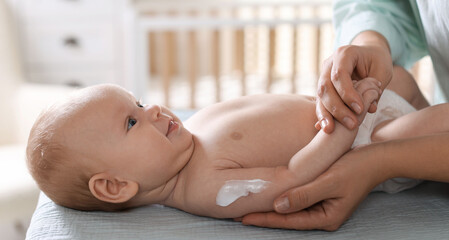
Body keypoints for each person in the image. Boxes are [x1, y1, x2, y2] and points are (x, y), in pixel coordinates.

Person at [26, 67, 435, 219]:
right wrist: (349, 127)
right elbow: (291, 177)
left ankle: (419, 105)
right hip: (368, 140)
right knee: (421, 128)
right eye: (132, 121)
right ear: (115, 186)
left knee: (400, 78)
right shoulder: (205, 188)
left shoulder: (188, 136)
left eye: (140, 101)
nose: (153, 111)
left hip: (353, 110)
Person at [241, 0, 449, 231]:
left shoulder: (200, 181)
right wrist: (371, 43)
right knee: (397, 82)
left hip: (419, 146)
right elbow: (386, 6)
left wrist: (378, 161)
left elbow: (289, 178)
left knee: (390, 132)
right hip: (398, 121)